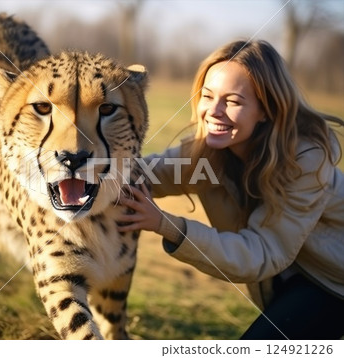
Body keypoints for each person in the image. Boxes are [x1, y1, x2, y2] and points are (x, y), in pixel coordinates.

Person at [118, 40, 344, 339]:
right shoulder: (208, 156)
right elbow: (140, 175)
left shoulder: (305, 161)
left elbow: (264, 251)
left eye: (233, 101)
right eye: (207, 96)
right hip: (291, 281)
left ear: (266, 110)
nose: (214, 111)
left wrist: (165, 224)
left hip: (333, 283)